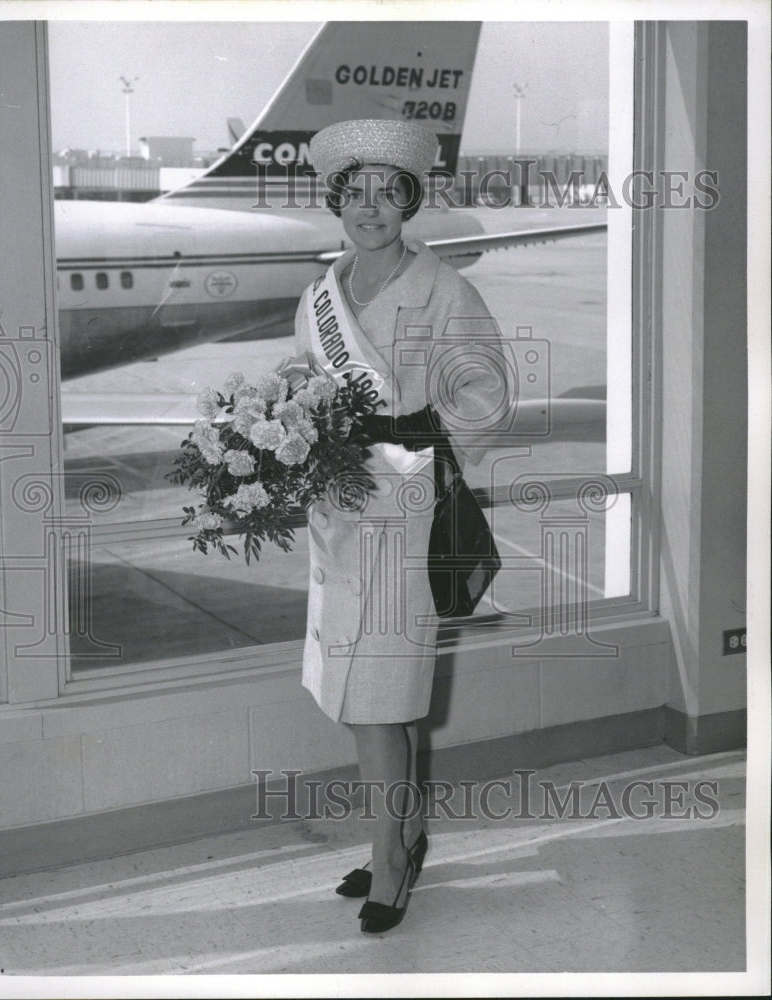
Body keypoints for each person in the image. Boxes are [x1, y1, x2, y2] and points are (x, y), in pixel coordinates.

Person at [288, 119, 508, 933]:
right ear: (336, 198)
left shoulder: (444, 290)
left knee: (380, 700)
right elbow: (306, 383)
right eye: (357, 191)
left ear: (410, 200)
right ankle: (406, 834)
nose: (371, 207)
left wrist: (410, 444)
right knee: (380, 699)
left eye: (389, 192)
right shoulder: (317, 298)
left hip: (408, 522)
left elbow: (487, 402)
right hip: (339, 521)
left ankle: (389, 865)